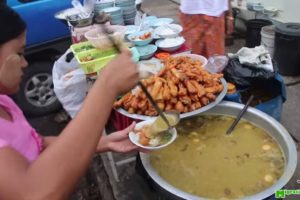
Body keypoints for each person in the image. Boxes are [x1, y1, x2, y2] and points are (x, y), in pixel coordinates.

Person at [0, 4, 140, 199]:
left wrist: (101, 142)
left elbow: (37, 144)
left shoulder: (4, 103)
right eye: (19, 53)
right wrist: (106, 85)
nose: (25, 63)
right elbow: (34, 193)